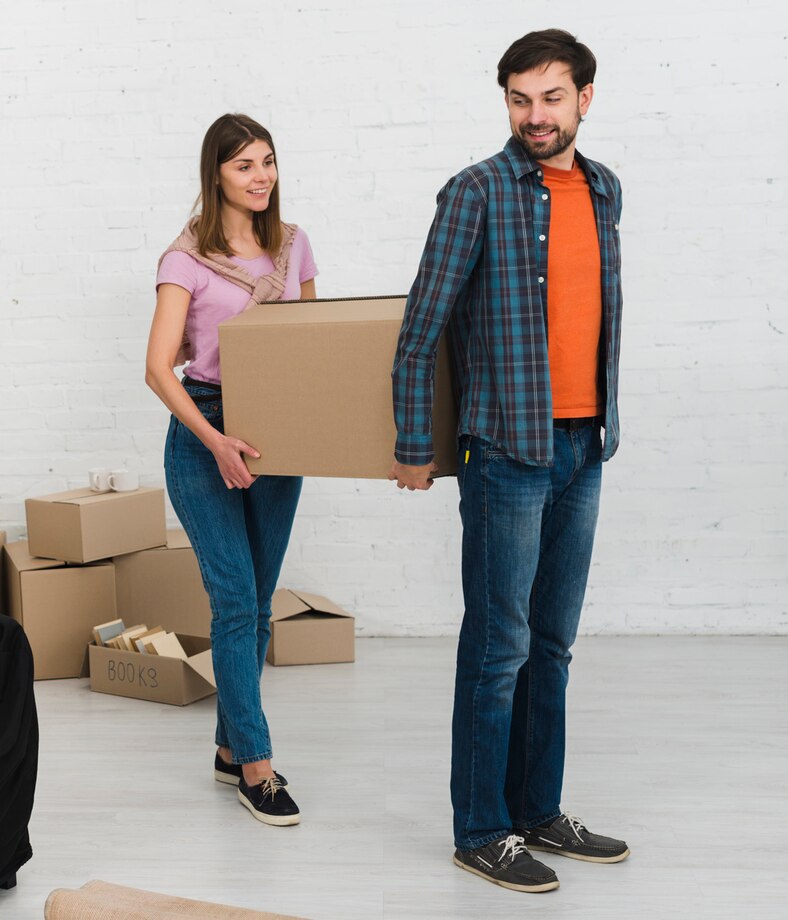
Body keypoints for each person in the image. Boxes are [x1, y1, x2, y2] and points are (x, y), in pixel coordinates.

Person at [390, 30, 631, 892]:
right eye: (521, 100)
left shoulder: (602, 189)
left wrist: (597, 424)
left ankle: (536, 810)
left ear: (585, 99)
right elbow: (420, 335)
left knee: (553, 645)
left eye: (552, 98)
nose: (536, 115)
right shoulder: (476, 192)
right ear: (506, 104)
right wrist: (415, 447)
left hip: (583, 444)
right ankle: (481, 828)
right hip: (506, 452)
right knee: (500, 648)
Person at [145, 113, 317, 827]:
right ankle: (256, 767)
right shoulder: (184, 259)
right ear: (215, 173)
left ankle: (227, 748)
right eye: (245, 164)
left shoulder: (294, 247)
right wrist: (215, 440)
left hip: (277, 437)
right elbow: (159, 369)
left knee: (260, 600)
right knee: (236, 604)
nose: (261, 177)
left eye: (269, 162)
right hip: (204, 435)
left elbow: (314, 345)